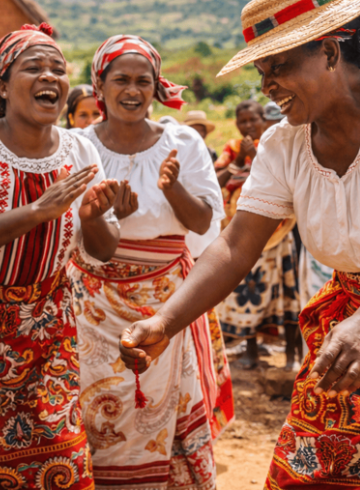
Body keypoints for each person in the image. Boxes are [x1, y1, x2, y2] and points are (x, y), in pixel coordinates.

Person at [120, 1, 360, 487]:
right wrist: (165, 320)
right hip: (353, 328)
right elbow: (236, 245)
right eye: (262, 72)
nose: (268, 85)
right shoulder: (284, 146)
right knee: (306, 468)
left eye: (279, 66)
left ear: (328, 52)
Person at [0, 23, 121, 489]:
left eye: (58, 68)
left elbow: (104, 250)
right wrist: (36, 212)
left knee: (62, 458)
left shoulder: (80, 148)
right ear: (3, 85)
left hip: (47, 328)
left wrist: (92, 218)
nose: (50, 76)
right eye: (34, 67)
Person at [69, 34, 231, 490]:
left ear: (157, 88)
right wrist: (100, 217)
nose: (132, 90)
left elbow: (204, 225)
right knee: (92, 411)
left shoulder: (180, 143)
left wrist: (172, 188)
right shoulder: (78, 147)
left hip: (166, 305)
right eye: (121, 79)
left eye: (144, 80)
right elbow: (72, 231)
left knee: (159, 408)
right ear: (98, 87)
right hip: (91, 306)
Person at [214, 99, 299, 370]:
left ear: (264, 120)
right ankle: (250, 352)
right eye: (243, 121)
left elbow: (287, 180)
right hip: (243, 234)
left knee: (284, 294)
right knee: (246, 292)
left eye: (254, 120)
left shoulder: (275, 145)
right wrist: (240, 158)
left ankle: (290, 355)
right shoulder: (231, 149)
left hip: (277, 234)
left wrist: (256, 156)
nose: (248, 126)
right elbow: (217, 184)